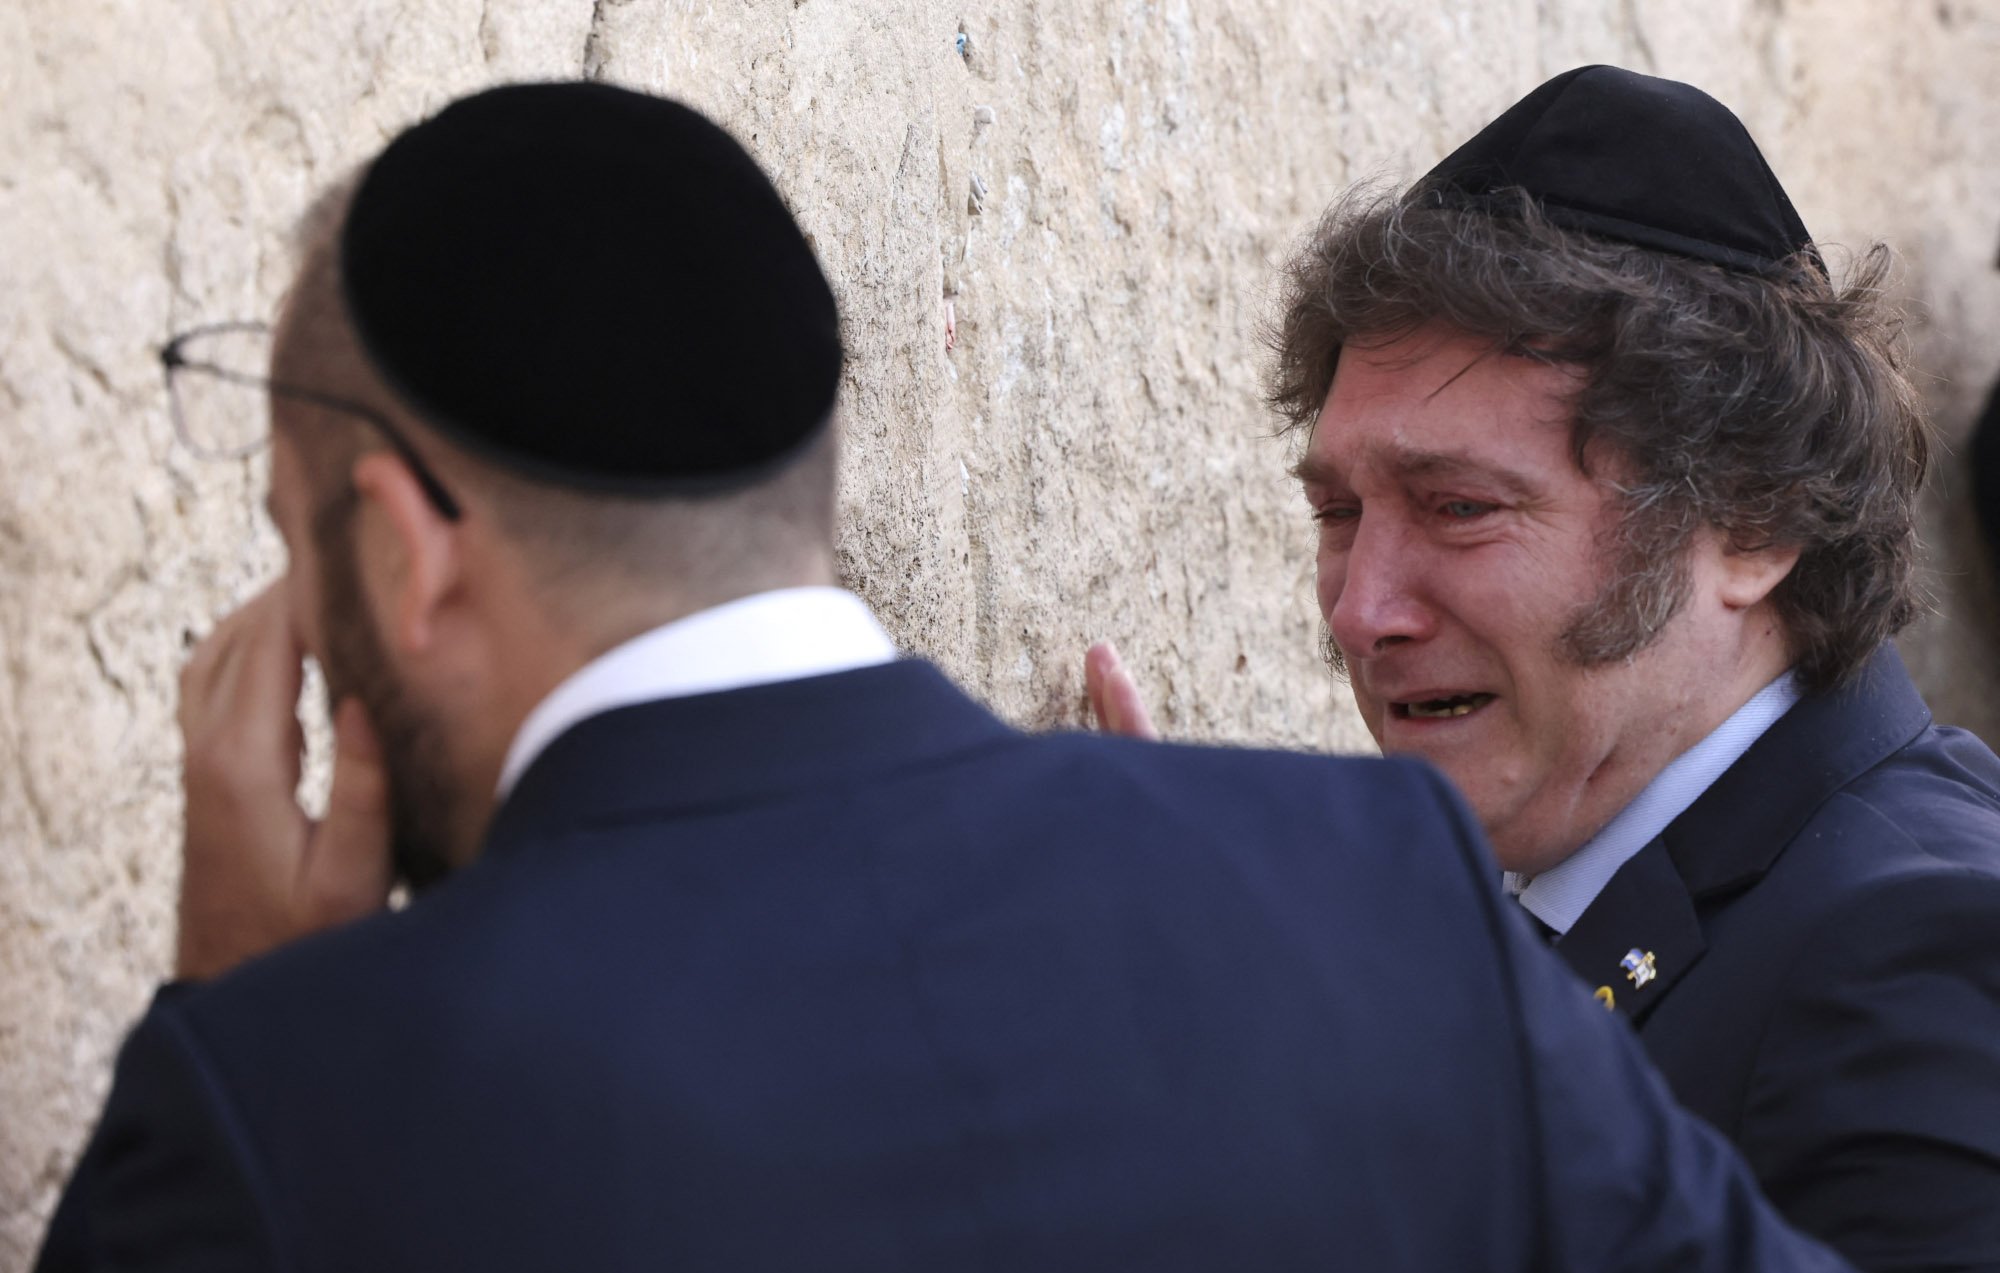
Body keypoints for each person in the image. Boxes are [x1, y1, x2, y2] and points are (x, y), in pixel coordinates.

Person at [35, 82, 1847, 1273]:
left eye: (300, 541)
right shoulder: (1372, 885)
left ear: (403, 540)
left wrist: (249, 1025)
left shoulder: (284, 1104)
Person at [1091, 64, 2000, 1270]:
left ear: (1752, 523)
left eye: (1459, 507)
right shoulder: (1573, 888)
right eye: (1337, 513)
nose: (1361, 610)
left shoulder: (1910, 950)